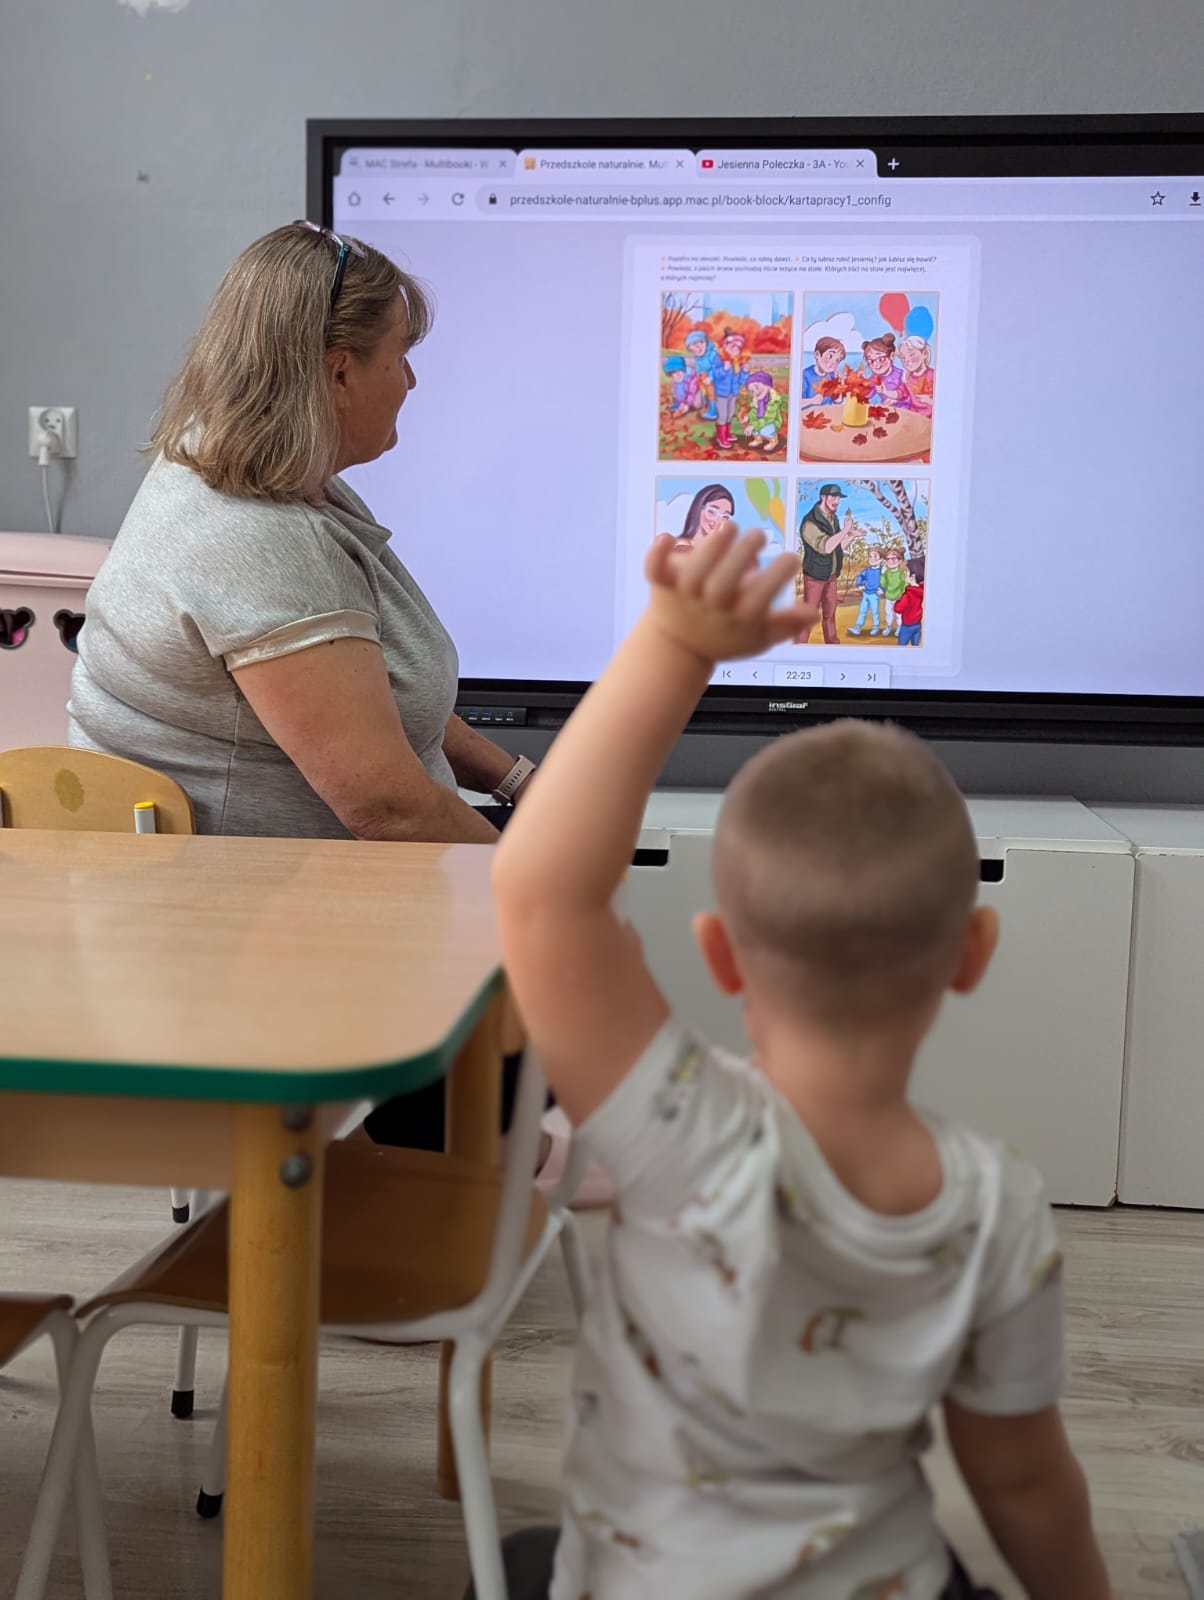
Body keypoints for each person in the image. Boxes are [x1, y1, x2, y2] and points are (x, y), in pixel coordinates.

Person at [485, 523, 1116, 1600]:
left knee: (511, 1569)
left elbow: (542, 892)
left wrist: (676, 642)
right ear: (973, 952)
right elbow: (1020, 1481)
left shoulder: (679, 1131)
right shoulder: (998, 1204)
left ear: (720, 954)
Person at [68, 221, 536, 1151]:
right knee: (559, 963)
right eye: (400, 355)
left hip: (278, 891)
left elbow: (375, 691)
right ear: (338, 372)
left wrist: (513, 778)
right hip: (256, 932)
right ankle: (419, 1186)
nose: (413, 380)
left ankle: (438, 1167)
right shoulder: (258, 541)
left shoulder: (236, 463)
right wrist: (537, 891)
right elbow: (384, 806)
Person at [797, 483, 858, 645]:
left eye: (838, 498)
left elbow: (837, 547)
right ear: (823, 497)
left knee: (830, 615)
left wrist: (852, 536)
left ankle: (833, 645)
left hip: (831, 576)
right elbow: (826, 547)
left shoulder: (833, 519)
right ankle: (799, 646)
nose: (837, 501)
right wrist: (845, 531)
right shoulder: (809, 523)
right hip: (815, 577)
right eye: (833, 497)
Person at [711, 328, 749, 450]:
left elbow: (742, 381)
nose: (735, 349)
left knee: (730, 414)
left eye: (738, 348)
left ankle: (727, 433)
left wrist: (745, 371)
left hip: (733, 392)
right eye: (732, 346)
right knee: (722, 415)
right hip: (722, 393)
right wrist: (724, 369)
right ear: (725, 345)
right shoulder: (719, 358)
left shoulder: (738, 361)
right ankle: (721, 437)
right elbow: (715, 375)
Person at [673, 483, 735, 550]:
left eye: (725, 517)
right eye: (711, 511)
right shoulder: (681, 547)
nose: (718, 521)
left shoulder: (718, 551)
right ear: (698, 508)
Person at [736, 370, 787, 452]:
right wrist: (748, 417)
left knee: (765, 429)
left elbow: (768, 418)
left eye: (757, 387)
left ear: (768, 386)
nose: (756, 392)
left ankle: (773, 441)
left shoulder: (773, 401)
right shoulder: (757, 401)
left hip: (771, 422)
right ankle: (758, 439)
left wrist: (754, 426)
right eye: (752, 391)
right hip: (760, 420)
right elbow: (754, 412)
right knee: (753, 422)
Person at [684, 325, 720, 420]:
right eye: (693, 350)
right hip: (706, 377)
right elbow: (699, 368)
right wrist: (699, 376)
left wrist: (710, 377)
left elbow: (717, 368)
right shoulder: (698, 357)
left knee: (711, 389)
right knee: (699, 386)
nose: (696, 350)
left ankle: (713, 410)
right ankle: (704, 401)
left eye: (697, 346)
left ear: (704, 342)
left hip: (717, 377)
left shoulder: (713, 354)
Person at [862, 332, 908, 406]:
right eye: (870, 361)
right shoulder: (875, 377)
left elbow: (904, 394)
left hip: (905, 409)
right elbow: (866, 394)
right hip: (887, 409)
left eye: (880, 359)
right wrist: (862, 383)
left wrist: (888, 394)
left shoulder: (901, 375)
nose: (875, 364)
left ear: (892, 356)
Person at [849, 543, 885, 636]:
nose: (872, 559)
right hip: (866, 594)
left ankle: (875, 627)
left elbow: (886, 582)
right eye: (870, 556)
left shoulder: (882, 571)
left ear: (881, 559)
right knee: (862, 611)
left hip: (875, 595)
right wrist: (859, 584)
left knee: (875, 612)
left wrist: (882, 589)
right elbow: (860, 577)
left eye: (875, 556)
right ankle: (857, 628)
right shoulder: (867, 570)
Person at [898, 334, 936, 417]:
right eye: (903, 358)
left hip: (930, 418)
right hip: (913, 416)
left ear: (924, 354)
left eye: (911, 355)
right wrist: (885, 391)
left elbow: (944, 402)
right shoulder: (907, 377)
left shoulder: (933, 375)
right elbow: (900, 393)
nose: (907, 360)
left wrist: (929, 401)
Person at [801, 334, 846, 402]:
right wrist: (811, 400)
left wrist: (841, 382)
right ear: (817, 355)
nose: (833, 363)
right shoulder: (805, 375)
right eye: (830, 356)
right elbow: (796, 401)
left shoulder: (832, 376)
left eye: (837, 360)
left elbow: (838, 400)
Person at [896, 554, 926, 646]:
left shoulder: (908, 594)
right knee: (915, 645)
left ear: (912, 576)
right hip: (917, 624)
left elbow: (898, 608)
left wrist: (898, 599)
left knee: (901, 645)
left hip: (907, 625)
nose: (904, 573)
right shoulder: (922, 590)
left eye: (906, 571)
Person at [881, 544, 908, 637]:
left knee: (898, 614)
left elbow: (905, 585)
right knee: (888, 613)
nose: (890, 561)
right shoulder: (887, 573)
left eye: (893, 559)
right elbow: (883, 584)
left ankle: (899, 627)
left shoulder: (901, 573)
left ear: (900, 561)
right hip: (889, 597)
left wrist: (903, 595)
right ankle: (888, 626)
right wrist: (883, 574)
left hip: (898, 598)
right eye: (888, 559)